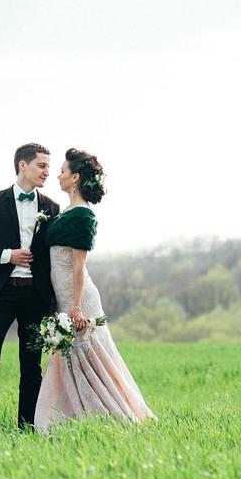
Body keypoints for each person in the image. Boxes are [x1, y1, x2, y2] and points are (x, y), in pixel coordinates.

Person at [34, 148, 155, 433]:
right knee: (68, 357)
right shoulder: (65, 213)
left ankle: (111, 414)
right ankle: (69, 417)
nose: (58, 175)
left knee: (90, 355)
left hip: (79, 299)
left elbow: (78, 267)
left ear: (75, 177)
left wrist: (75, 306)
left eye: (62, 171)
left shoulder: (82, 216)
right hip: (63, 298)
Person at [0, 143, 60, 430]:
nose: (48, 171)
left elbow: (53, 258)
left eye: (48, 166)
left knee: (31, 365)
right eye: (42, 165)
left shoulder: (51, 207)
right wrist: (9, 255)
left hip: (35, 296)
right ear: (23, 165)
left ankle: (27, 427)